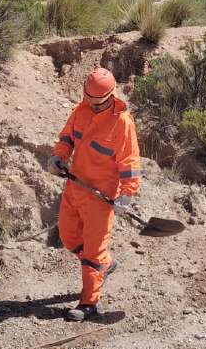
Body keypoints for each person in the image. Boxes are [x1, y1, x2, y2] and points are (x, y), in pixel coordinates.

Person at [46, 67, 141, 322]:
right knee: (68, 237)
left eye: (99, 103)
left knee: (93, 252)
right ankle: (105, 265)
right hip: (75, 188)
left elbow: (129, 161)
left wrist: (126, 194)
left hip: (100, 198)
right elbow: (67, 137)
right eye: (91, 101)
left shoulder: (122, 123)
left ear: (111, 95)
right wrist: (58, 156)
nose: (94, 107)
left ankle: (89, 302)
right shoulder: (82, 110)